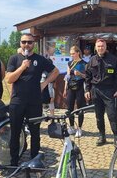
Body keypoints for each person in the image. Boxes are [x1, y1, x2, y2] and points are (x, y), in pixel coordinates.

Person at [6, 33, 59, 166]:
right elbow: (9, 79)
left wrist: (44, 83)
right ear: (20, 43)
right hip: (17, 101)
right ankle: (13, 162)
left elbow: (55, 71)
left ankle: (34, 160)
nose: (26, 45)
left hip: (34, 101)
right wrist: (22, 67)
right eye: (24, 42)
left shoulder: (40, 59)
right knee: (15, 132)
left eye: (29, 42)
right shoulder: (14, 59)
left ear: (33, 44)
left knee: (35, 132)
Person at [85, 38, 117, 147]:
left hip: (109, 91)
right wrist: (87, 90)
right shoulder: (92, 60)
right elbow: (87, 76)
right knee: (98, 116)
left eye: (102, 46)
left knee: (112, 115)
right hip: (96, 91)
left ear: (105, 47)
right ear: (95, 48)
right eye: (98, 46)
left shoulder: (113, 59)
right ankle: (102, 136)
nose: (100, 48)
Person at [63, 45, 86, 137]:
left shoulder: (84, 63)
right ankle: (72, 127)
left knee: (80, 109)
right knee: (69, 108)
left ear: (78, 53)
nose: (72, 55)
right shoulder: (70, 63)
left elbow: (87, 77)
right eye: (71, 54)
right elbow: (67, 76)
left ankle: (79, 128)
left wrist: (80, 74)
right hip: (71, 87)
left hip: (80, 87)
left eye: (73, 53)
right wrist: (65, 88)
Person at [41, 46, 56, 116]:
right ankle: (42, 113)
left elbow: (53, 72)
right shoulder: (42, 60)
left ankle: (52, 115)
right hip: (42, 82)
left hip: (49, 82)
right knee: (41, 99)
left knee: (51, 99)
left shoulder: (50, 60)